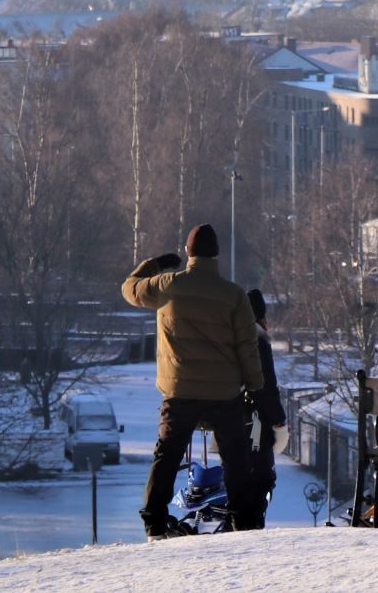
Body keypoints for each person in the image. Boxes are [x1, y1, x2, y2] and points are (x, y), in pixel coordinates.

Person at [122, 223, 265, 538]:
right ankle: (244, 521)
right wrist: (255, 385)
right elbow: (247, 346)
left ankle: (154, 522)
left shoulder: (168, 285)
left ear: (188, 253)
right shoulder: (233, 295)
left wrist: (155, 265)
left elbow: (130, 288)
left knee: (167, 454)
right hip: (224, 392)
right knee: (235, 457)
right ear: (216, 256)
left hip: (179, 390)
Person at [245, 288, 285, 520]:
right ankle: (251, 526)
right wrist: (279, 421)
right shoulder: (258, 340)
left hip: (230, 420)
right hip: (255, 424)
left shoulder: (231, 336)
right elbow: (266, 385)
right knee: (261, 480)